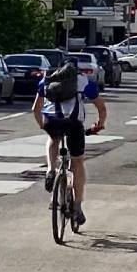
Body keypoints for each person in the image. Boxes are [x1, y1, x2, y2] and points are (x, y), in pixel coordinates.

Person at [35, 53, 107, 228]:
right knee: (77, 162)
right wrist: (99, 124)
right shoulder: (83, 80)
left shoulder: (48, 78)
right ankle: (77, 207)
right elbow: (101, 107)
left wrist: (42, 125)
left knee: (53, 138)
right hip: (74, 124)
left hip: (53, 121)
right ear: (76, 68)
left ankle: (51, 170)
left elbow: (35, 108)